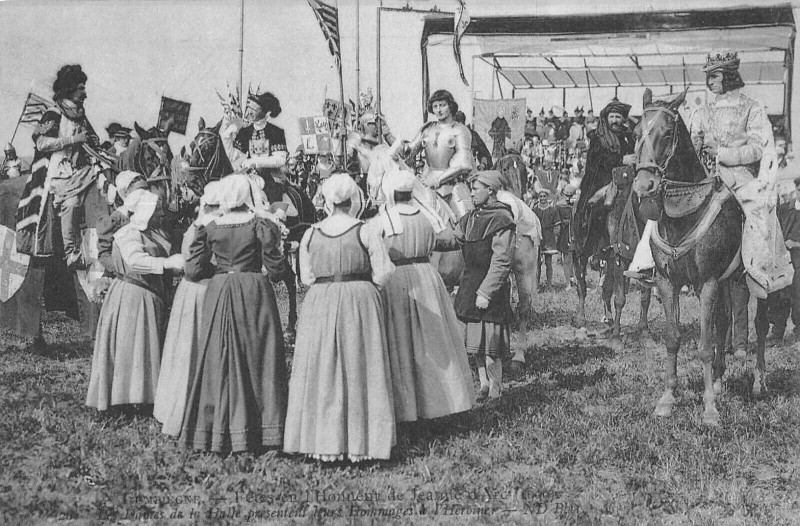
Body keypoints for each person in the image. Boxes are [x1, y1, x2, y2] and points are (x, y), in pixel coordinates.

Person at [626, 50, 793, 298]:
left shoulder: (752, 107)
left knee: (756, 211)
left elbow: (758, 148)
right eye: (708, 77)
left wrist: (723, 152)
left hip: (740, 175)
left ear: (729, 75)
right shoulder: (702, 111)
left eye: (714, 76)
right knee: (663, 206)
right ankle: (648, 263)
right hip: (705, 175)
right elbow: (690, 146)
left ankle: (756, 269)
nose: (710, 82)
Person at [284, 174, 396, 461]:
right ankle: (363, 442)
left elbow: (306, 277)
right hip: (359, 299)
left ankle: (323, 441)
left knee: (323, 367)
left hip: (320, 300)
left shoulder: (311, 233)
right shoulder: (366, 230)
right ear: (352, 200)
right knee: (361, 366)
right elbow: (383, 272)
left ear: (329, 201)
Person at [180, 174, 289, 453]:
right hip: (253, 290)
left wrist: (217, 272)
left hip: (219, 290)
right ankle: (264, 430)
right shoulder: (259, 225)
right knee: (260, 357)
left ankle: (217, 430)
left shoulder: (211, 226)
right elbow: (276, 270)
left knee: (219, 357)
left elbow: (192, 269)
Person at [373, 169, 473, 422]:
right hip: (426, 276)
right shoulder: (426, 215)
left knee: (401, 341)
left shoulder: (384, 219)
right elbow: (450, 241)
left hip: (397, 278)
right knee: (433, 340)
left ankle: (406, 408)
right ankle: (442, 402)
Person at [86, 189, 182, 411]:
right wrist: (166, 264)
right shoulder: (128, 233)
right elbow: (135, 261)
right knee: (130, 347)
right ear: (145, 211)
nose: (161, 214)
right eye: (156, 210)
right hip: (131, 295)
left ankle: (143, 396)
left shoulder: (155, 233)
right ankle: (123, 399)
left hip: (148, 295)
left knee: (143, 347)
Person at [153, 181, 221, 437]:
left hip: (192, 290)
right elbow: (195, 265)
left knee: (186, 348)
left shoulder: (199, 224)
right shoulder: (205, 227)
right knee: (193, 347)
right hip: (200, 290)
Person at [446, 171, 516, 401]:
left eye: (476, 188)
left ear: (491, 191)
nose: (471, 192)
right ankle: (484, 384)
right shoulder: (471, 217)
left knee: (491, 346)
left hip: (490, 290)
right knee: (475, 344)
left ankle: (496, 389)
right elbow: (452, 238)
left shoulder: (501, 219)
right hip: (470, 283)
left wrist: (486, 292)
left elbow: (501, 261)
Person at [36, 65, 101, 269]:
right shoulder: (54, 112)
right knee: (71, 203)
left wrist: (93, 141)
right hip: (59, 171)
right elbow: (41, 143)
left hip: (79, 170)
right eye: (81, 87)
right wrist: (73, 140)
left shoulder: (80, 113)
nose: (85, 93)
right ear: (70, 88)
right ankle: (70, 252)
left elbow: (91, 139)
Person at [572, 98, 635, 261]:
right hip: (601, 179)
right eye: (612, 116)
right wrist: (622, 159)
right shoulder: (598, 138)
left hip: (626, 179)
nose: (615, 120)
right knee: (598, 209)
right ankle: (594, 247)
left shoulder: (629, 136)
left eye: (618, 117)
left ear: (623, 119)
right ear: (606, 118)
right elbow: (598, 161)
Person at [221, 89, 298, 219]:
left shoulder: (275, 132)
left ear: (266, 113)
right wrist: (226, 138)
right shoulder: (245, 132)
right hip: (249, 175)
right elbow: (235, 157)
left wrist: (254, 161)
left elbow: (280, 159)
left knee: (273, 195)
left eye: (254, 109)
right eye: (249, 107)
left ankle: (277, 223)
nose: (249, 112)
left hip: (271, 177)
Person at [404, 90, 473, 217]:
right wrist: (387, 134)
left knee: (465, 223)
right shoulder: (427, 129)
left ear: (450, 106)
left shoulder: (460, 130)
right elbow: (408, 152)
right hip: (426, 184)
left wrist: (438, 180)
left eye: (442, 105)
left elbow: (464, 164)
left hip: (452, 186)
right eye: (435, 106)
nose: (439, 110)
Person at [533, 189, 559, 289]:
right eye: (541, 196)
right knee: (537, 262)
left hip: (549, 236)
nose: (542, 198)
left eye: (544, 196)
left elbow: (557, 225)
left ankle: (549, 283)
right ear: (538, 198)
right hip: (538, 236)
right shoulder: (535, 209)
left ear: (547, 198)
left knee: (548, 262)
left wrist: (555, 237)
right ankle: (536, 284)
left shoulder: (552, 209)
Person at [557, 184, 578, 287]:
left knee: (576, 258)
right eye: (566, 195)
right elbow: (556, 220)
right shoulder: (559, 205)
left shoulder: (576, 205)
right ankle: (567, 283)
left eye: (570, 195)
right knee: (566, 259)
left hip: (575, 233)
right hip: (565, 234)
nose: (568, 197)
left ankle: (575, 279)